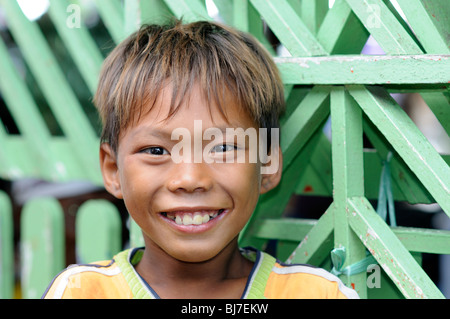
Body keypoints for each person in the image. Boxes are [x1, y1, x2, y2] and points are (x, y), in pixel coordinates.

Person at [42, 20, 358, 299]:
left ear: (268, 161)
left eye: (222, 148)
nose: (191, 179)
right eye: (156, 151)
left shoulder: (317, 294)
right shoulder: (81, 292)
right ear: (112, 169)